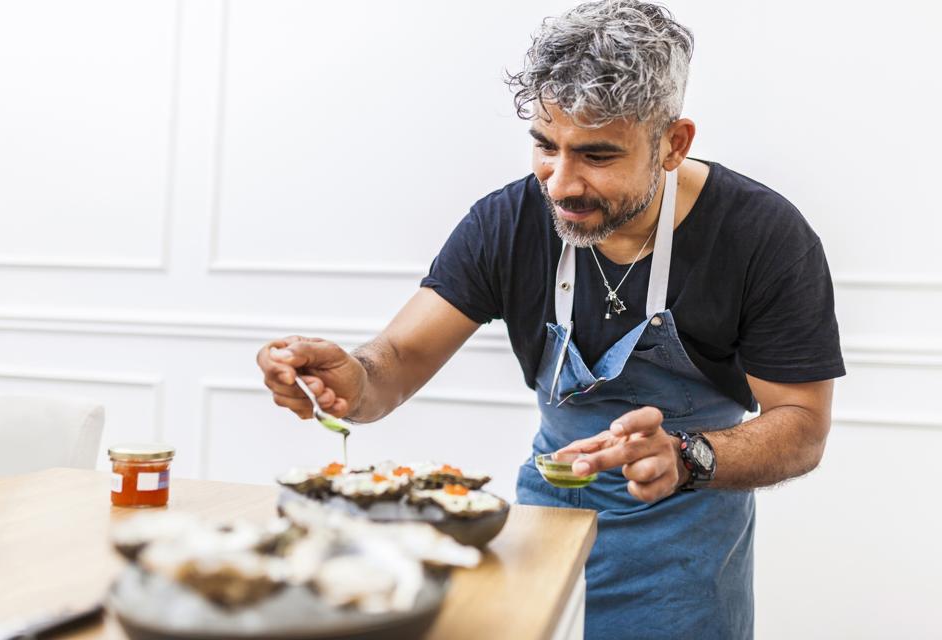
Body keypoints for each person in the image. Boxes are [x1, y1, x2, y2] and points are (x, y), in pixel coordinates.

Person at [256, 1, 844, 637]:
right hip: (540, 537)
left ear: (673, 144)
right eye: (545, 145)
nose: (560, 184)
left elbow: (803, 426)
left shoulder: (762, 235)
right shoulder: (505, 222)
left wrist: (686, 454)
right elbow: (393, 364)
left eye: (597, 156)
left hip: (684, 566)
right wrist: (352, 378)